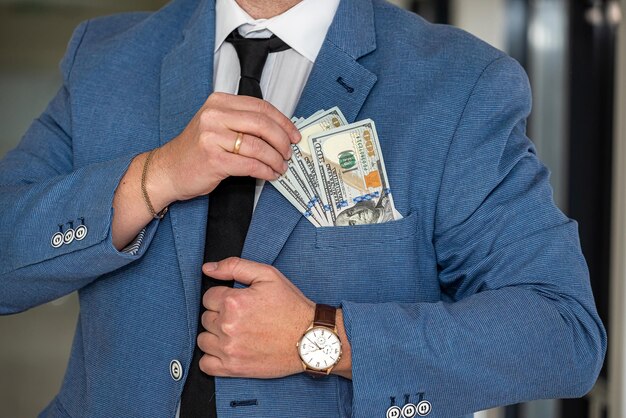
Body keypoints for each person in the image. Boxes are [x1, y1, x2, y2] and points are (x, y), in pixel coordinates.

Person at [0, 0, 606, 417]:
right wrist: (152, 177)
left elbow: (561, 334)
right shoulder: (104, 57)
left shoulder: (457, 84)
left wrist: (321, 338)